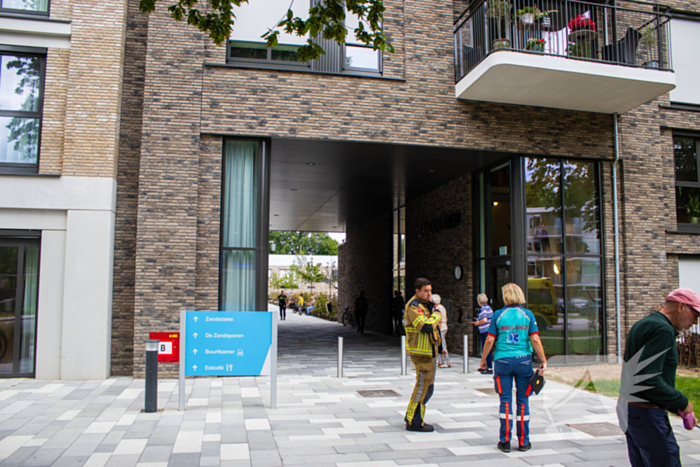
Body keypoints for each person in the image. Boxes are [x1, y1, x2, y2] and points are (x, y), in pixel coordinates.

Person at [617, 288, 700, 467]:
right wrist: (682, 403)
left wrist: (674, 406)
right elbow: (648, 379)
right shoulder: (663, 330)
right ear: (681, 306)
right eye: (695, 315)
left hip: (630, 410)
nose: (695, 322)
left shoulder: (644, 323)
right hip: (647, 414)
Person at [479, 283, 547, 453]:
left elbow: (489, 339)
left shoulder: (497, 315)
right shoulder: (528, 315)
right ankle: (524, 441)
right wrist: (543, 360)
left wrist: (483, 359)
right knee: (523, 400)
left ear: (505, 296)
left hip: (502, 361)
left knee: (505, 401)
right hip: (523, 361)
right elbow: (535, 339)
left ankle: (505, 441)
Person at [404, 278, 443, 432]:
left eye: (430, 290)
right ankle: (414, 421)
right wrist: (437, 315)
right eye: (426, 291)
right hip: (421, 353)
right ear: (417, 291)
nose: (429, 294)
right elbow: (425, 326)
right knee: (424, 387)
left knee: (427, 386)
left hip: (428, 352)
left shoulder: (424, 304)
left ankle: (411, 414)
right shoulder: (414, 306)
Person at [474, 293, 493, 374]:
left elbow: (484, 320)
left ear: (479, 301)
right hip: (488, 330)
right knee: (486, 348)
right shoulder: (488, 308)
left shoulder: (484, 309)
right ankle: (485, 366)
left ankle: (489, 368)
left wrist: (478, 322)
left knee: (486, 349)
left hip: (485, 330)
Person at [433, 294, 450, 368]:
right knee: (440, 345)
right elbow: (446, 318)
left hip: (441, 329)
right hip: (444, 327)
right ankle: (440, 361)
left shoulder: (438, 309)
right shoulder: (442, 307)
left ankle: (446, 361)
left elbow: (439, 321)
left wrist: (437, 330)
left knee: (442, 345)